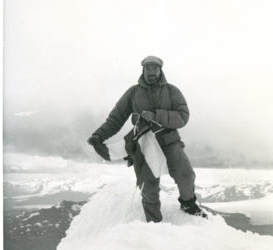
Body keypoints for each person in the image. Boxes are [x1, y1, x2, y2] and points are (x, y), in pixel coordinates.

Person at [87, 55, 207, 222]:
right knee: (148, 186)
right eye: (148, 68)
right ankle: (154, 223)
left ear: (160, 70)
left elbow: (183, 117)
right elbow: (116, 118)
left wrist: (156, 116)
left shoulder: (172, 91)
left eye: (155, 68)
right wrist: (98, 135)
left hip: (169, 141)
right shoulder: (133, 92)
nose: (151, 71)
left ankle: (188, 204)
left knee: (186, 174)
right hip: (143, 144)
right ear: (143, 70)